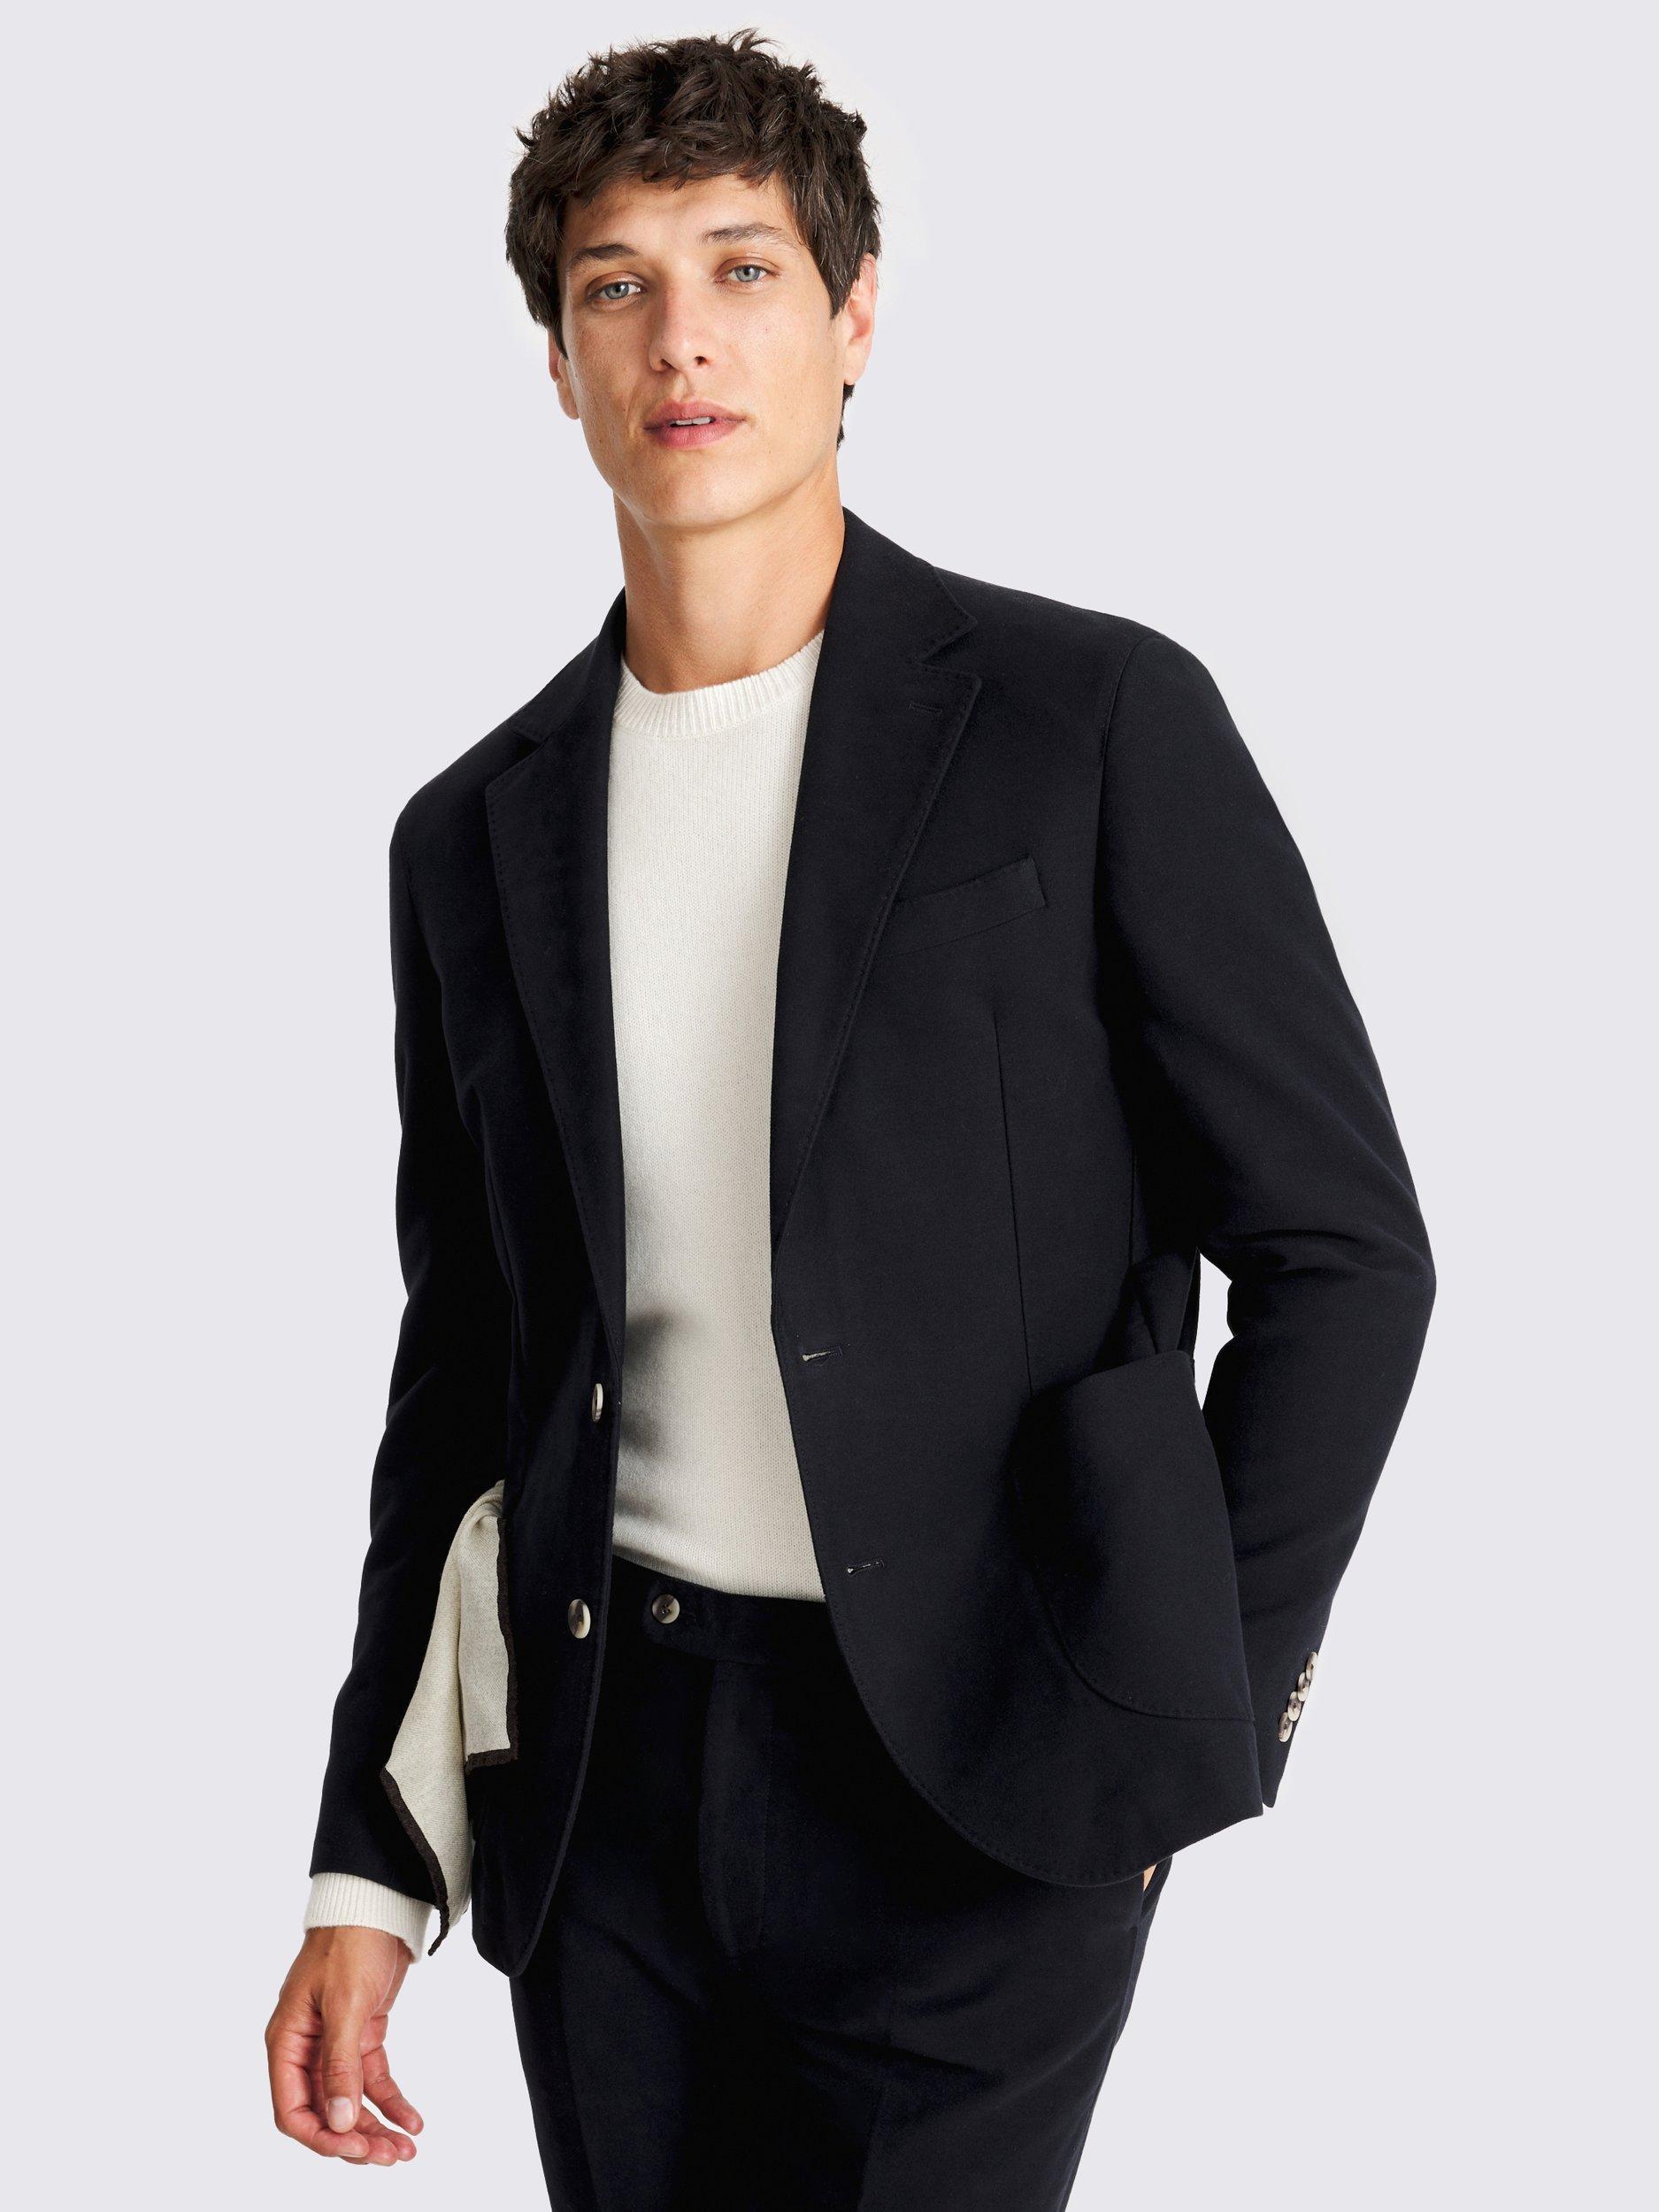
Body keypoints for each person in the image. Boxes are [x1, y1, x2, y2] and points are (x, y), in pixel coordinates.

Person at [265, 27, 1435, 2208]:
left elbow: (1342, 1255)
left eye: (742, 269)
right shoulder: (471, 834)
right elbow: (470, 1366)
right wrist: (372, 1855)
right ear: (556, 360)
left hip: (985, 1773)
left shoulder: (1087, 721)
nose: (681, 339)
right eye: (615, 287)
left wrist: (1180, 1697)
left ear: (855, 314)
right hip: (603, 1787)